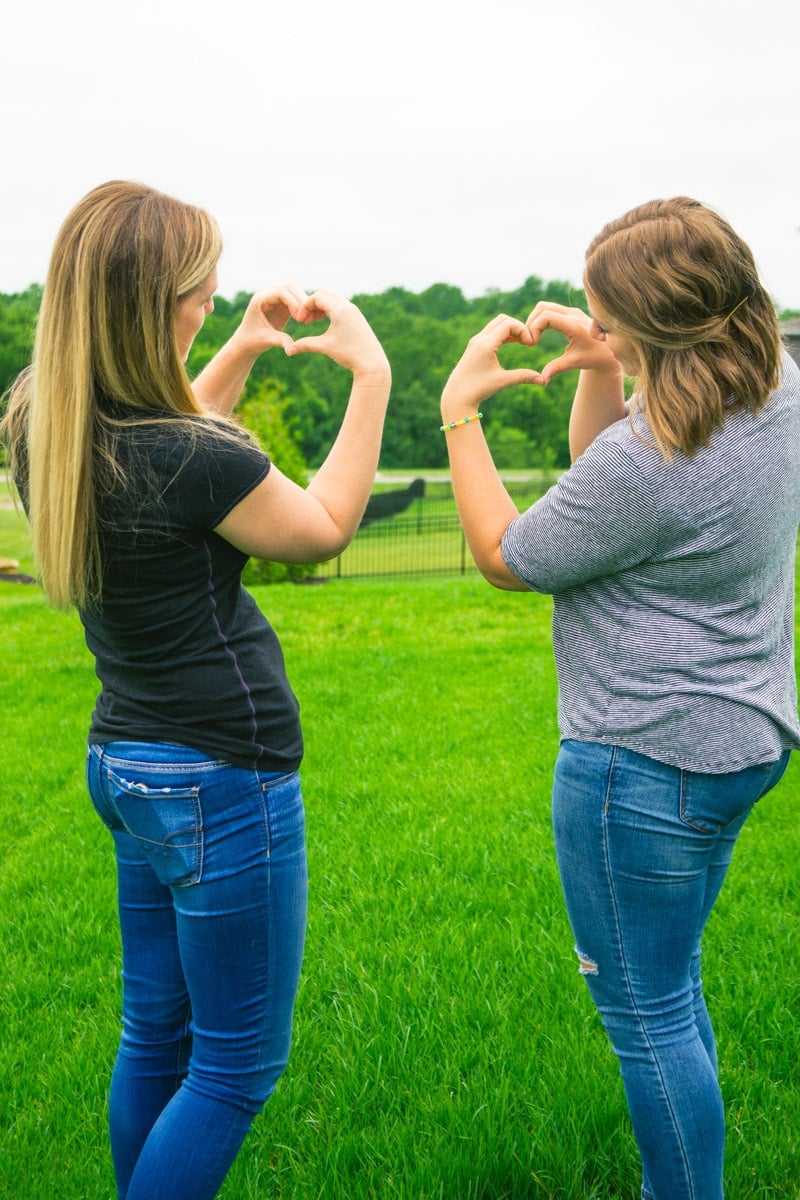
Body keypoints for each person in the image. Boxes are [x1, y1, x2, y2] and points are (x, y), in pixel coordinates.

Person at [2, 180, 391, 1200]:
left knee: (153, 1032)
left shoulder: (44, 418)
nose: (212, 301)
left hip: (125, 762)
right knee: (230, 1070)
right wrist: (371, 376)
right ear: (155, 307)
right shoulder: (187, 459)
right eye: (204, 292)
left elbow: (174, 428)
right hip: (221, 775)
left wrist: (249, 347)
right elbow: (321, 528)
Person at [438, 197, 800, 1199]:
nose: (591, 327)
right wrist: (611, 366)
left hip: (639, 766)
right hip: (738, 740)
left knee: (643, 1015)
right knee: (669, 991)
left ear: (649, 326)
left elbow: (510, 559)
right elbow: (598, 473)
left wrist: (457, 416)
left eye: (604, 317)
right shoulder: (772, 395)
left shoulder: (653, 465)